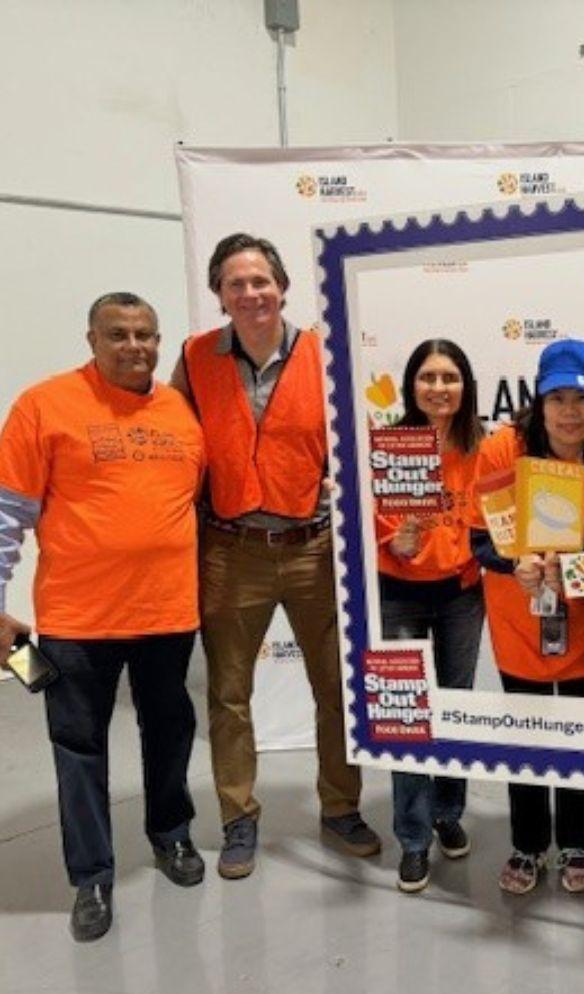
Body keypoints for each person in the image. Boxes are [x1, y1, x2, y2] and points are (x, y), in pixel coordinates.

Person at [173, 232, 379, 880]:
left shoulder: (327, 353)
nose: (251, 293)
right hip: (231, 551)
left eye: (261, 281)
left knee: (335, 689)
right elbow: (177, 442)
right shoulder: (195, 358)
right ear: (220, 296)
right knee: (229, 694)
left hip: (315, 548)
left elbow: (362, 436)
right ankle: (238, 818)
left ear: (283, 287)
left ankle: (341, 807)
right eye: (236, 284)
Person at [0, 293, 205, 941]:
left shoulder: (181, 412)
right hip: (76, 622)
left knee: (170, 732)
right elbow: (7, 514)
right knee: (79, 748)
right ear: (91, 339)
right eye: (117, 334)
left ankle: (171, 834)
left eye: (145, 334)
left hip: (169, 615)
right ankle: (91, 875)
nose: (133, 346)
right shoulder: (44, 405)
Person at [471, 338, 584, 895]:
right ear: (538, 400)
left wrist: (577, 567)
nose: (569, 412)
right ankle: (528, 843)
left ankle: (577, 840)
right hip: (520, 627)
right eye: (556, 398)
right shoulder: (502, 450)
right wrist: (516, 564)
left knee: (582, 736)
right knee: (527, 737)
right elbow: (479, 540)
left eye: (581, 399)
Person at [376, 339, 486, 893]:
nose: (439, 388)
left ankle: (448, 810)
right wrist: (394, 541)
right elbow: (368, 520)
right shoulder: (391, 447)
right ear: (411, 385)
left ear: (465, 386)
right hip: (399, 593)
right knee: (408, 716)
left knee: (457, 704)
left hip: (462, 595)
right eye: (428, 377)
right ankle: (413, 838)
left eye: (450, 377)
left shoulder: (484, 446)